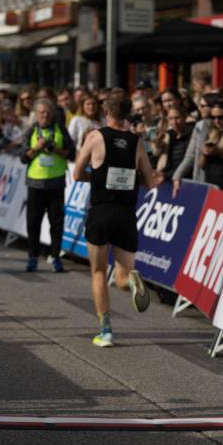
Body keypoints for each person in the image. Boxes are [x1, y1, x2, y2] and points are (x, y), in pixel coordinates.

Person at [73, 88, 155, 348]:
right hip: (126, 214)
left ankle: (106, 331)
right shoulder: (136, 141)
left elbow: (76, 173)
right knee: (122, 276)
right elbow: (150, 181)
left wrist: (95, 177)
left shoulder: (95, 137)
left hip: (101, 211)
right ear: (127, 113)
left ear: (106, 112)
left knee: (98, 272)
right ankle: (133, 280)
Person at [20, 97, 75, 273]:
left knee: (56, 224)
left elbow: (72, 154)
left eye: (47, 112)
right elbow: (23, 157)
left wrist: (55, 149)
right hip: (35, 183)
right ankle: (32, 257)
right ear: (36, 114)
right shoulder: (31, 132)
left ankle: (55, 257)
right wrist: (36, 148)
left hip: (56, 183)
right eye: (41, 112)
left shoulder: (60, 130)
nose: (45, 115)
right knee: (33, 223)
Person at [171, 92, 216, 194]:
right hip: (200, 182)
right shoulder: (199, 126)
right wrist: (177, 176)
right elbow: (190, 157)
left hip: (219, 184)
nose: (199, 109)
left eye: (203, 106)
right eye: (199, 105)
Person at [156, 104, 193, 182]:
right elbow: (170, 163)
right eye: (171, 119)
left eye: (177, 118)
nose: (174, 122)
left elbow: (187, 163)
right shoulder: (171, 136)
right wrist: (161, 173)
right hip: (172, 178)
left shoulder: (192, 135)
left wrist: (165, 175)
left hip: (187, 180)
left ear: (185, 117)